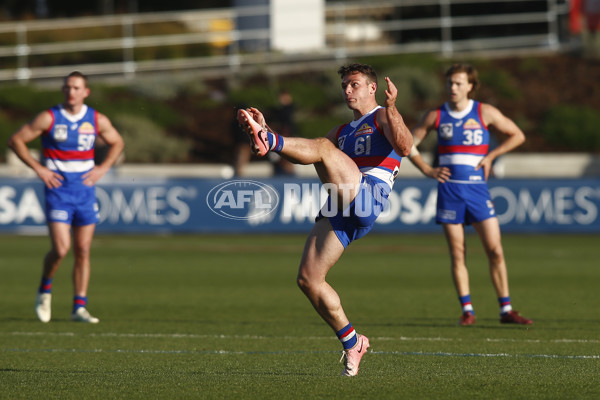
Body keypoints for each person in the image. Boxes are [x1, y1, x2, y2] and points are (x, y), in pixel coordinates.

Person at [237, 63, 412, 376]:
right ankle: (352, 342)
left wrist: (393, 107)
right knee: (309, 280)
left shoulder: (383, 115)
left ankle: (268, 140)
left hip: (368, 194)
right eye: (344, 85)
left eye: (354, 84)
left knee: (322, 147)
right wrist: (274, 135)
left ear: (372, 88)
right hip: (339, 204)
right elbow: (305, 154)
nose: (347, 90)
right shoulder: (342, 132)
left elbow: (406, 146)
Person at [407, 63, 532, 326]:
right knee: (458, 252)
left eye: (458, 83)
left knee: (495, 251)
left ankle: (506, 310)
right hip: (450, 190)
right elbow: (408, 145)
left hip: (477, 190)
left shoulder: (484, 112)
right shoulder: (436, 115)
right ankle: (467, 310)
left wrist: (492, 157)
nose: (452, 88)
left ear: (471, 86)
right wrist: (428, 170)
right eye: (449, 83)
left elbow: (517, 135)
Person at [8, 71, 125, 324]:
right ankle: (45, 289)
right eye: (67, 87)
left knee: (83, 249)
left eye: (76, 87)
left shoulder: (96, 119)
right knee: (61, 249)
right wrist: (38, 168)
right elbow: (16, 140)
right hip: (58, 191)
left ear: (85, 92)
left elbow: (117, 142)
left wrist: (103, 168)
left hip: (85, 191)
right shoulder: (50, 117)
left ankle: (79, 307)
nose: (71, 92)